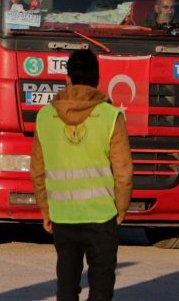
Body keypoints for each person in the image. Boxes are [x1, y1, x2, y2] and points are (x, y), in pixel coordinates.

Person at [30, 49, 132, 301]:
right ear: (98, 79)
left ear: (68, 79)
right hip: (101, 216)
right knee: (101, 283)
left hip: (62, 216)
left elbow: (37, 171)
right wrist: (120, 209)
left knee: (66, 284)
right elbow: (124, 171)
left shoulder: (45, 117)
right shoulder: (110, 116)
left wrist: (46, 210)